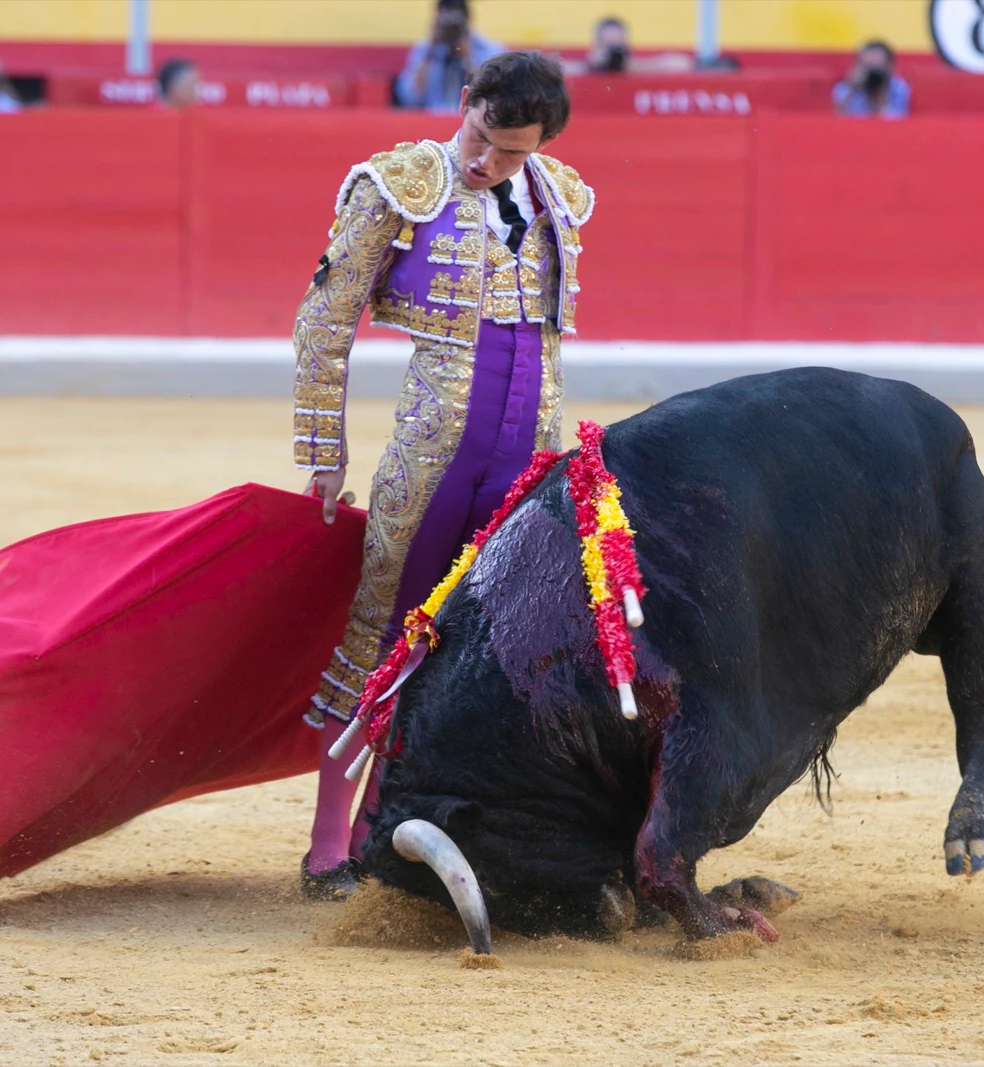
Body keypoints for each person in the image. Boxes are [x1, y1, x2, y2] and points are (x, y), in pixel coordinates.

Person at [292, 51, 593, 897]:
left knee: (478, 653)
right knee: (382, 637)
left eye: (509, 153)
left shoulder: (560, 197)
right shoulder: (399, 183)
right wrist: (323, 450)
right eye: (482, 137)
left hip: (525, 463)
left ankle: (385, 830)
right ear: (465, 103)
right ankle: (326, 847)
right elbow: (324, 319)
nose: (485, 162)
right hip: (431, 459)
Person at [394, 0, 505, 112]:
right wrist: (430, 50)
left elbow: (491, 99)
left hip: (472, 120)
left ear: (468, 19)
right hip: (431, 120)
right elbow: (409, 98)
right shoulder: (425, 50)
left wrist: (468, 58)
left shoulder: (488, 50)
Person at [563, 16, 693, 75]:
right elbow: (554, 69)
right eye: (608, 46)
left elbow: (683, 63)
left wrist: (636, 66)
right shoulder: (586, 66)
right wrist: (589, 66)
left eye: (617, 46)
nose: (612, 53)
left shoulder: (636, 65)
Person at [833, 40, 910, 119]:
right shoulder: (844, 89)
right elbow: (837, 120)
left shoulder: (899, 88)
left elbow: (899, 122)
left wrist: (880, 96)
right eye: (867, 66)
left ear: (890, 67)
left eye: (877, 67)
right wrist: (852, 90)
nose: (872, 73)